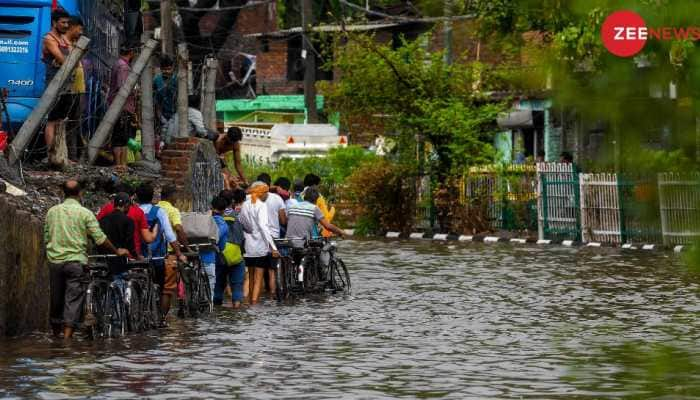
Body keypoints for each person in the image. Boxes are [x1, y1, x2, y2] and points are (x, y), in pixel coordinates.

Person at [45, 180, 129, 339]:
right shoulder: (85, 213)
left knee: (56, 299)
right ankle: (66, 339)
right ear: (80, 193)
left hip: (55, 262)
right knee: (73, 300)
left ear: (63, 193)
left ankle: (56, 336)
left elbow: (47, 236)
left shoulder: (52, 212)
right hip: (76, 262)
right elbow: (100, 238)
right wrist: (116, 250)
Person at [136, 183, 187, 322]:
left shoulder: (133, 211)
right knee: (165, 289)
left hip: (136, 258)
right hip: (156, 257)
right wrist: (179, 253)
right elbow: (170, 235)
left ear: (136, 197)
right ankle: (161, 319)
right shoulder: (158, 211)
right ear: (152, 197)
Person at [238, 182, 280, 304]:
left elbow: (243, 222)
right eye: (266, 193)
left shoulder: (245, 204)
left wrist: (249, 231)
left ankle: (250, 302)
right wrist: (273, 247)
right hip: (260, 247)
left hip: (247, 247)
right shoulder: (261, 206)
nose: (268, 195)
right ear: (262, 193)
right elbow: (263, 227)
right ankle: (254, 304)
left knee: (251, 277)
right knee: (258, 279)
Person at [42, 9, 72, 161]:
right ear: (54, 22)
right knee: (52, 120)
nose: (66, 25)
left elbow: (72, 59)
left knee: (62, 120)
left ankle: (61, 154)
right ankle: (51, 154)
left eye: (67, 22)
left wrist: (65, 61)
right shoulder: (49, 38)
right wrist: (64, 60)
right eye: (63, 22)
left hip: (66, 83)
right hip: (54, 83)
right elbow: (64, 59)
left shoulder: (64, 39)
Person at [97, 183, 156, 258]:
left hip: (107, 255)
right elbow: (146, 239)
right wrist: (154, 231)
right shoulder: (136, 213)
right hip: (129, 256)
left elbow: (96, 232)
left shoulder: (106, 210)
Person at [216, 189, 246, 308]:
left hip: (220, 254)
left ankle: (216, 311)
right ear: (232, 201)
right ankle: (236, 309)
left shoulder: (215, 217)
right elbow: (242, 236)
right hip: (236, 255)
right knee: (237, 285)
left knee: (218, 285)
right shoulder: (238, 215)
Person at [108, 46, 138, 167]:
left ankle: (122, 165)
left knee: (122, 138)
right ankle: (120, 165)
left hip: (120, 106)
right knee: (120, 138)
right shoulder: (123, 67)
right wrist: (135, 92)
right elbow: (123, 88)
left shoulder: (118, 64)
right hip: (123, 107)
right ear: (131, 52)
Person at [98, 192, 137, 277]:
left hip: (104, 261)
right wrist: (136, 256)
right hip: (119, 262)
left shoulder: (103, 220)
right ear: (126, 204)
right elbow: (130, 244)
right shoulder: (128, 221)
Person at [64, 16, 86, 161]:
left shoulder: (74, 43)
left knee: (75, 125)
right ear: (72, 27)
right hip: (69, 90)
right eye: (80, 28)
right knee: (69, 125)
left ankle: (74, 156)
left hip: (78, 90)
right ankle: (70, 157)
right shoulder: (64, 43)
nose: (81, 32)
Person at [304, 174, 336, 238]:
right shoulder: (318, 197)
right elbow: (326, 217)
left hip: (304, 233)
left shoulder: (301, 196)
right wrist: (333, 208)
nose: (318, 187)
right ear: (314, 185)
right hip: (318, 233)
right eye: (318, 185)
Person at [158, 184, 189, 249]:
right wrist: (187, 247)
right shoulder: (173, 210)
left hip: (156, 249)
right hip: (170, 249)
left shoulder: (155, 208)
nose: (177, 199)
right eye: (176, 196)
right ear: (171, 196)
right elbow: (178, 229)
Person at [153, 55, 178, 127]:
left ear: (172, 68)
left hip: (175, 113)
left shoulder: (176, 80)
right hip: (161, 113)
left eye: (169, 69)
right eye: (164, 69)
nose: (167, 71)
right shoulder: (157, 80)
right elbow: (154, 98)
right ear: (161, 69)